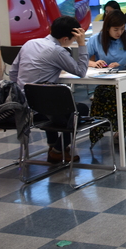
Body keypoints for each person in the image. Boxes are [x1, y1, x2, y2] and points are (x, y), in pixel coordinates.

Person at [9, 16, 89, 163]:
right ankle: (58, 150)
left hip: (21, 105)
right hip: (40, 109)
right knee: (80, 110)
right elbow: (81, 71)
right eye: (73, 39)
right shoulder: (57, 51)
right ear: (65, 39)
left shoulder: (30, 43)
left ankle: (53, 146)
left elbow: (13, 73)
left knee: (50, 103)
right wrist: (82, 44)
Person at [87, 10, 126, 145]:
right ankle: (101, 130)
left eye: (122, 28)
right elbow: (83, 60)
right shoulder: (95, 39)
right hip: (107, 83)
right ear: (107, 28)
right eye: (116, 29)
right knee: (100, 96)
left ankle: (122, 131)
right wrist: (94, 63)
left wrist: (122, 66)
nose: (119, 32)